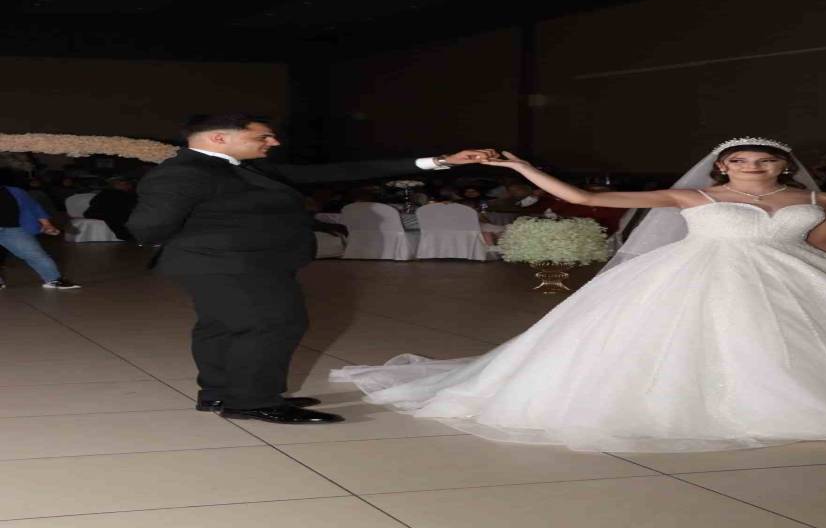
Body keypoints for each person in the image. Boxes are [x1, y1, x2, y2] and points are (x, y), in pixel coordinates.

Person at [331, 137, 826, 453]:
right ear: (723, 165)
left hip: (798, 278)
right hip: (698, 276)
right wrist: (518, 164)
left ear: (783, 164)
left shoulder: (818, 199)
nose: (754, 169)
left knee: (813, 345)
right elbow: (586, 197)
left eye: (766, 161)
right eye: (742, 161)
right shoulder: (692, 196)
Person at [126, 113, 489, 425]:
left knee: (221, 327)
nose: (273, 142)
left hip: (242, 262)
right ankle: (252, 402)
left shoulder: (242, 167)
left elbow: (339, 171)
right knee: (272, 325)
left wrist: (441, 161)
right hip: (228, 264)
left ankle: (221, 393)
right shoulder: (183, 172)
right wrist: (210, 242)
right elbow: (147, 228)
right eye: (263, 136)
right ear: (219, 138)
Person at [0, 171, 81, 290]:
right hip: (12, 229)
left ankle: (54, 279)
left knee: (35, 254)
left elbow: (34, 208)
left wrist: (47, 225)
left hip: (13, 229)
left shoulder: (15, 191)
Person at [83, 177, 138, 241]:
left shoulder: (130, 195)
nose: (122, 185)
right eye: (119, 184)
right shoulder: (107, 193)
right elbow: (94, 203)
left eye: (125, 184)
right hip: (106, 215)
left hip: (109, 215)